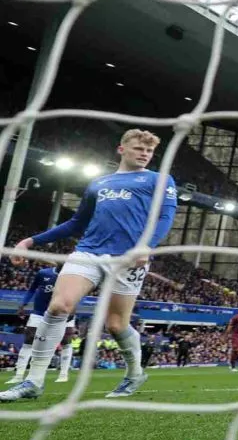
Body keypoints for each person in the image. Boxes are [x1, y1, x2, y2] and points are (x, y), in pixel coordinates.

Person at [1, 129, 177, 402]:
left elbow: (166, 215)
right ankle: (33, 381)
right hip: (88, 252)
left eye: (149, 151)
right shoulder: (99, 183)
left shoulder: (159, 180)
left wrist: (147, 245)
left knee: (117, 325)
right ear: (121, 149)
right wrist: (31, 240)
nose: (144, 154)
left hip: (127, 258)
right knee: (59, 306)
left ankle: (134, 372)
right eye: (138, 148)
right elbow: (76, 223)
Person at [5, 265, 76, 385]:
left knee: (66, 341)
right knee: (28, 340)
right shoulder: (43, 273)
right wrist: (23, 304)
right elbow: (32, 289)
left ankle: (63, 374)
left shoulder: (74, 276)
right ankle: (18, 375)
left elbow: (76, 295)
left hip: (63, 312)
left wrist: (72, 310)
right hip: (39, 312)